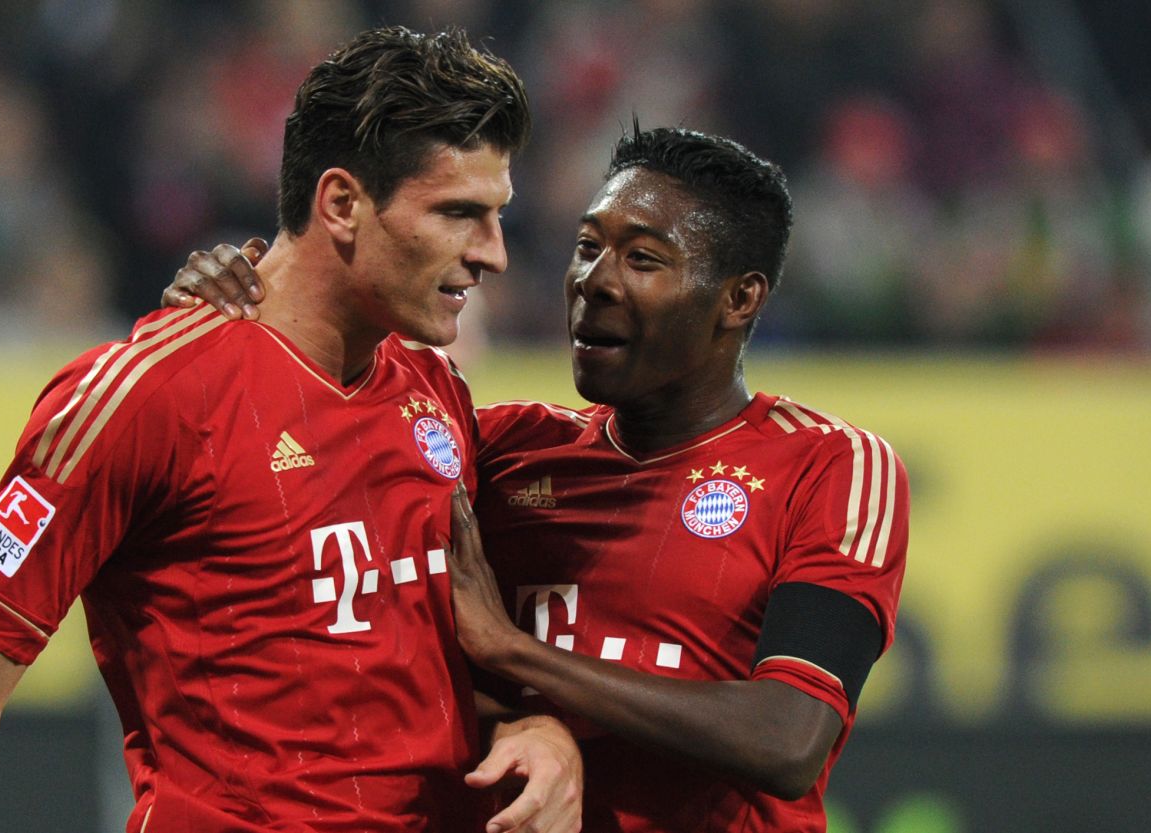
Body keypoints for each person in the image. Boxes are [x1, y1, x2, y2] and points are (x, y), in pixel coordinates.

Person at [0, 27, 584, 833]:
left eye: (497, 215)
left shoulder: (434, 393)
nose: (495, 254)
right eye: (460, 214)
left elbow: (431, 662)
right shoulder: (150, 393)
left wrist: (536, 728)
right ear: (340, 205)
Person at [167, 125, 908, 832]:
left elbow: (787, 736)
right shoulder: (501, 448)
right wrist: (246, 315)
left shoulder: (831, 467)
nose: (595, 281)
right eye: (587, 247)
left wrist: (514, 651)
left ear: (739, 299)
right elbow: (317, 500)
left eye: (642, 260)